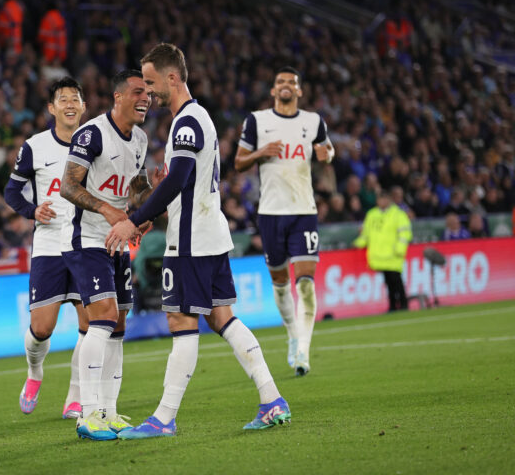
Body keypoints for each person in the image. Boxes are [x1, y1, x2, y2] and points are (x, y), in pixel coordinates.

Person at [105, 43, 289, 439]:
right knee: (222, 317)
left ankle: (164, 418)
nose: (148, 92)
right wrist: (159, 197)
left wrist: (134, 220)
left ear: (173, 78)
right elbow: (179, 179)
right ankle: (272, 399)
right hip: (210, 235)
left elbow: (179, 179)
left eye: (152, 82)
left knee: (181, 321)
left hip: (190, 242)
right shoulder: (196, 118)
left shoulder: (187, 122)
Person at [59, 69, 152, 440]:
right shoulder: (92, 133)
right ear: (118, 97)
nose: (145, 98)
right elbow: (68, 185)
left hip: (118, 242)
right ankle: (87, 413)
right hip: (88, 239)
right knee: (103, 318)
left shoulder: (141, 139)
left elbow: (138, 188)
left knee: (119, 325)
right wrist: (108, 210)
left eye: (148, 93)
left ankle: (109, 412)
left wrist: (143, 212)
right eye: (137, 92)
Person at [234, 66, 335, 376]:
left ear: (299, 91)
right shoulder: (257, 120)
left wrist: (326, 155)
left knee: (305, 283)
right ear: (273, 91)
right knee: (280, 284)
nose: (286, 85)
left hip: (304, 210)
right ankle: (292, 334)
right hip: (271, 213)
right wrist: (261, 152)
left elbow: (328, 149)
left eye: (292, 81)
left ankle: (303, 349)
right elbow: (239, 162)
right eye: (280, 82)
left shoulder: (313, 121)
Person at [3, 77, 90, 419]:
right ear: (52, 109)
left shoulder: (95, 142)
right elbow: (12, 191)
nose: (70, 104)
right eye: (63, 99)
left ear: (83, 106)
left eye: (75, 99)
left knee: (90, 326)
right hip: (49, 244)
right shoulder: (35, 146)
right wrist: (32, 210)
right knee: (42, 328)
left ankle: (75, 396)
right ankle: (35, 373)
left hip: (86, 243)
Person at [353, 190, 412, 312]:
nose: (381, 201)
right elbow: (366, 234)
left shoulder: (398, 214)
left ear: (389, 200)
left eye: (384, 199)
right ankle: (392, 306)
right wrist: (357, 244)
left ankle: (403, 303)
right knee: (388, 282)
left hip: (393, 254)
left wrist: (399, 249)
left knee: (396, 280)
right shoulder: (372, 214)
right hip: (378, 255)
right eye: (380, 199)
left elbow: (405, 233)